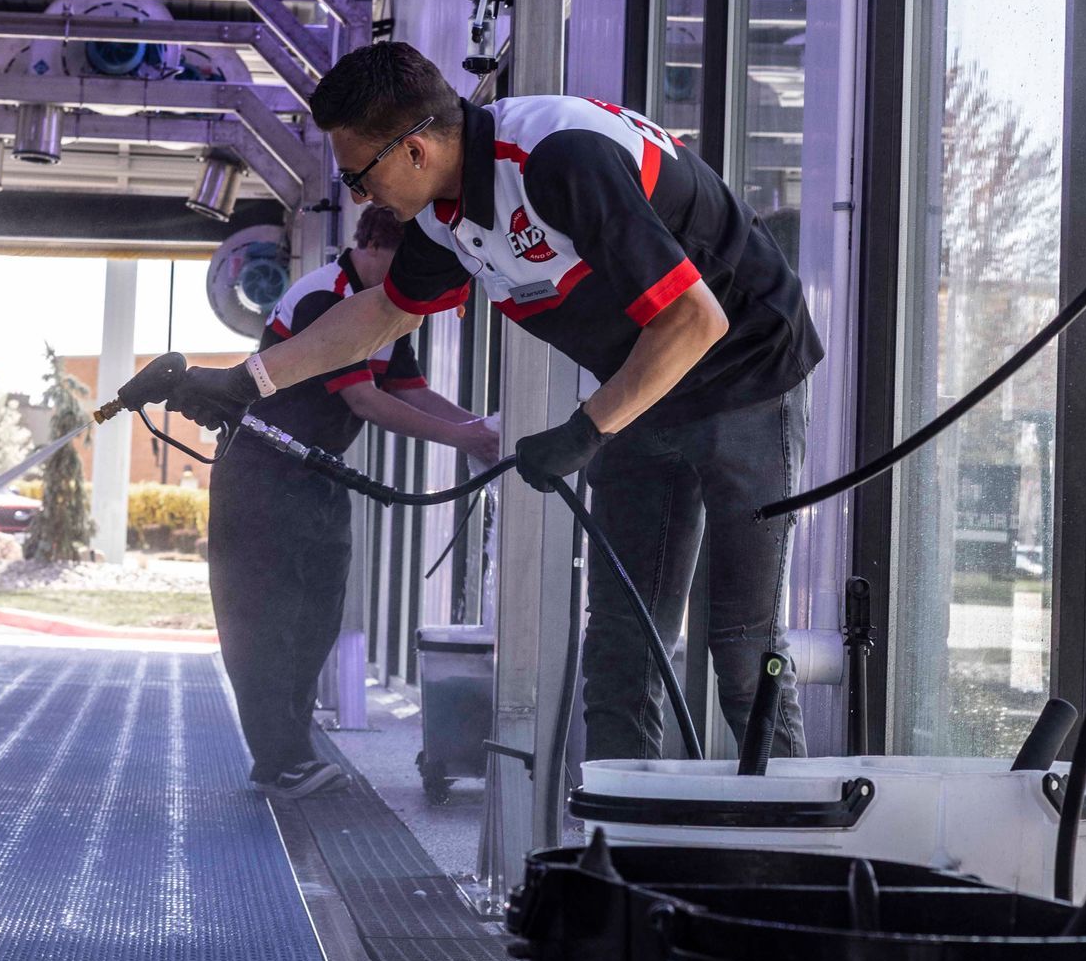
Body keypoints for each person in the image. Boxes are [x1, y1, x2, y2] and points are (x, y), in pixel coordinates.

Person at [175, 43, 821, 760]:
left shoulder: (560, 159)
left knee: (740, 641)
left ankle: (791, 848)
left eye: (359, 175)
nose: (358, 196)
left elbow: (695, 319)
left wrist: (586, 429)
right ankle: (617, 847)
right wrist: (248, 380)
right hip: (644, 388)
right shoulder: (443, 216)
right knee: (621, 643)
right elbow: (383, 314)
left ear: (414, 150)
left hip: (748, 376)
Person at [203, 203, 499, 797]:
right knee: (266, 624)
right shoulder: (329, 298)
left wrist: (488, 429)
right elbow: (366, 400)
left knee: (315, 620)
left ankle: (293, 750)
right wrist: (466, 438)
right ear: (379, 249)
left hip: (318, 474)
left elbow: (409, 389)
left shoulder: (386, 312)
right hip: (261, 476)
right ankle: (278, 760)